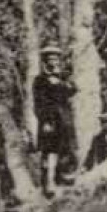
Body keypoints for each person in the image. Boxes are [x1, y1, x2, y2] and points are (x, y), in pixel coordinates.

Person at [32, 46, 76, 195]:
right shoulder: (40, 80)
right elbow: (39, 103)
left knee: (67, 148)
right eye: (50, 59)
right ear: (45, 61)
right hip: (50, 120)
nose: (53, 62)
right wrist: (45, 121)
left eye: (56, 59)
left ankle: (65, 179)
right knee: (50, 151)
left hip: (65, 119)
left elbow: (73, 90)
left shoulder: (63, 77)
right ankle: (49, 183)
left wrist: (63, 78)